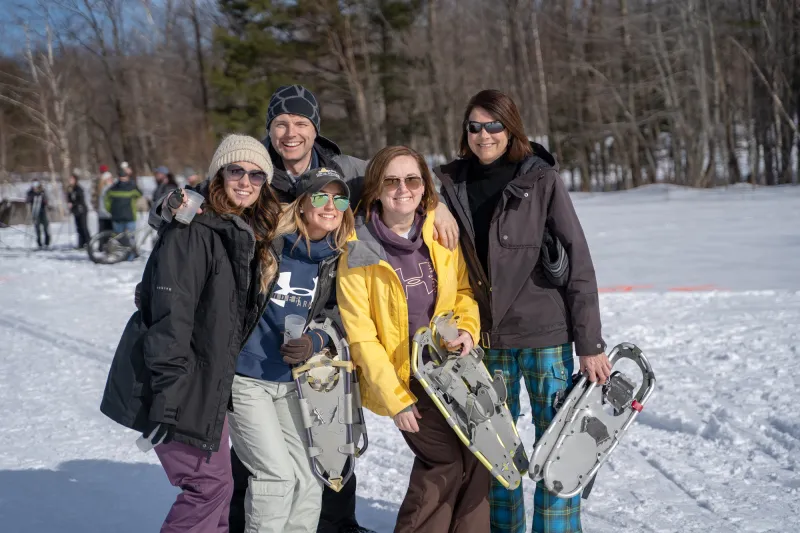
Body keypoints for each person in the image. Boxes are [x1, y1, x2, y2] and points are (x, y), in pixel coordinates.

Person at [150, 84, 460, 533]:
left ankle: (337, 526)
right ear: (269, 130)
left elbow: (402, 178)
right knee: (266, 466)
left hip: (326, 329)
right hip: (253, 351)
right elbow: (203, 199)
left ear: (315, 129)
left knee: (327, 443)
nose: (290, 133)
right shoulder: (254, 169)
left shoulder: (346, 171)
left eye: (300, 123)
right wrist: (171, 210)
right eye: (280, 124)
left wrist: (439, 205)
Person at [433, 89, 611, 533]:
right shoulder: (451, 183)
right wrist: (434, 203)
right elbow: (397, 187)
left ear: (510, 128)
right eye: (474, 126)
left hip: (545, 336)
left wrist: (589, 343)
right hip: (486, 341)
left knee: (559, 450)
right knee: (498, 453)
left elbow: (579, 260)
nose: (483, 135)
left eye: (493, 125)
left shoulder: (541, 179)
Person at [100, 134, 282, 533]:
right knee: (207, 486)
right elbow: (171, 318)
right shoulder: (194, 231)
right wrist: (168, 395)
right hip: (179, 384)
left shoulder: (238, 230)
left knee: (217, 487)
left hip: (206, 382)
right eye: (237, 170)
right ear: (219, 174)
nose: (246, 181)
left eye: (256, 175)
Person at [336, 145, 488, 533]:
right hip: (408, 380)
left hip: (452, 370)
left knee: (479, 459)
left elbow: (465, 294)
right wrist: (396, 398)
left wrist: (468, 330)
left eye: (412, 179)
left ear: (424, 188)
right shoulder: (358, 247)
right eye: (391, 180)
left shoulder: (439, 233)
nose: (402, 189)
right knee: (444, 462)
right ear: (375, 189)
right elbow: (361, 334)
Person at [229, 166, 355, 533]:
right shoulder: (265, 241)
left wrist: (315, 341)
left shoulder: (337, 258)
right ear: (301, 205)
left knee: (308, 474)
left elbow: (342, 312)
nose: (330, 205)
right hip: (246, 379)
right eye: (320, 196)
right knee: (276, 477)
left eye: (339, 198)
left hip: (292, 382)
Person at [105, 170, 143, 258]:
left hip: (116, 216)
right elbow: (140, 194)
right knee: (131, 238)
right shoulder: (132, 188)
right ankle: (130, 257)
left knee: (118, 238)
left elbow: (106, 201)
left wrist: (111, 210)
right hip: (130, 216)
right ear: (127, 177)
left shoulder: (112, 188)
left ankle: (119, 256)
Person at [66, 173, 91, 248]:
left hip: (82, 210)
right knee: (78, 227)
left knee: (84, 226)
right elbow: (69, 197)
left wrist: (73, 203)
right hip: (75, 210)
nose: (70, 181)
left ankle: (89, 242)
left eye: (72, 179)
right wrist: (69, 202)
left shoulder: (78, 188)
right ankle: (81, 243)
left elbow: (80, 200)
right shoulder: (70, 188)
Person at [25, 180, 51, 249]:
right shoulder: (30, 192)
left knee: (45, 228)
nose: (35, 186)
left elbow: (46, 201)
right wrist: (31, 197)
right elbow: (27, 200)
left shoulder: (42, 191)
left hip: (43, 212)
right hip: (35, 213)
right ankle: (39, 243)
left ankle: (47, 243)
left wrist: (44, 199)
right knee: (37, 229)